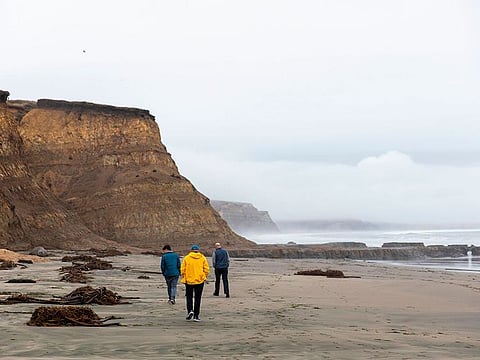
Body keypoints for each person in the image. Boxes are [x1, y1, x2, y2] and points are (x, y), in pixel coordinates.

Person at [181, 244, 210, 322]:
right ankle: (196, 315)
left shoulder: (187, 258)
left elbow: (182, 269)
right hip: (199, 281)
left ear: (191, 250)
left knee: (189, 297)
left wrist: (184, 276)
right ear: (198, 250)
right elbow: (206, 269)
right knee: (198, 298)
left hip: (189, 280)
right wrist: (204, 276)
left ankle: (190, 310)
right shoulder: (202, 258)